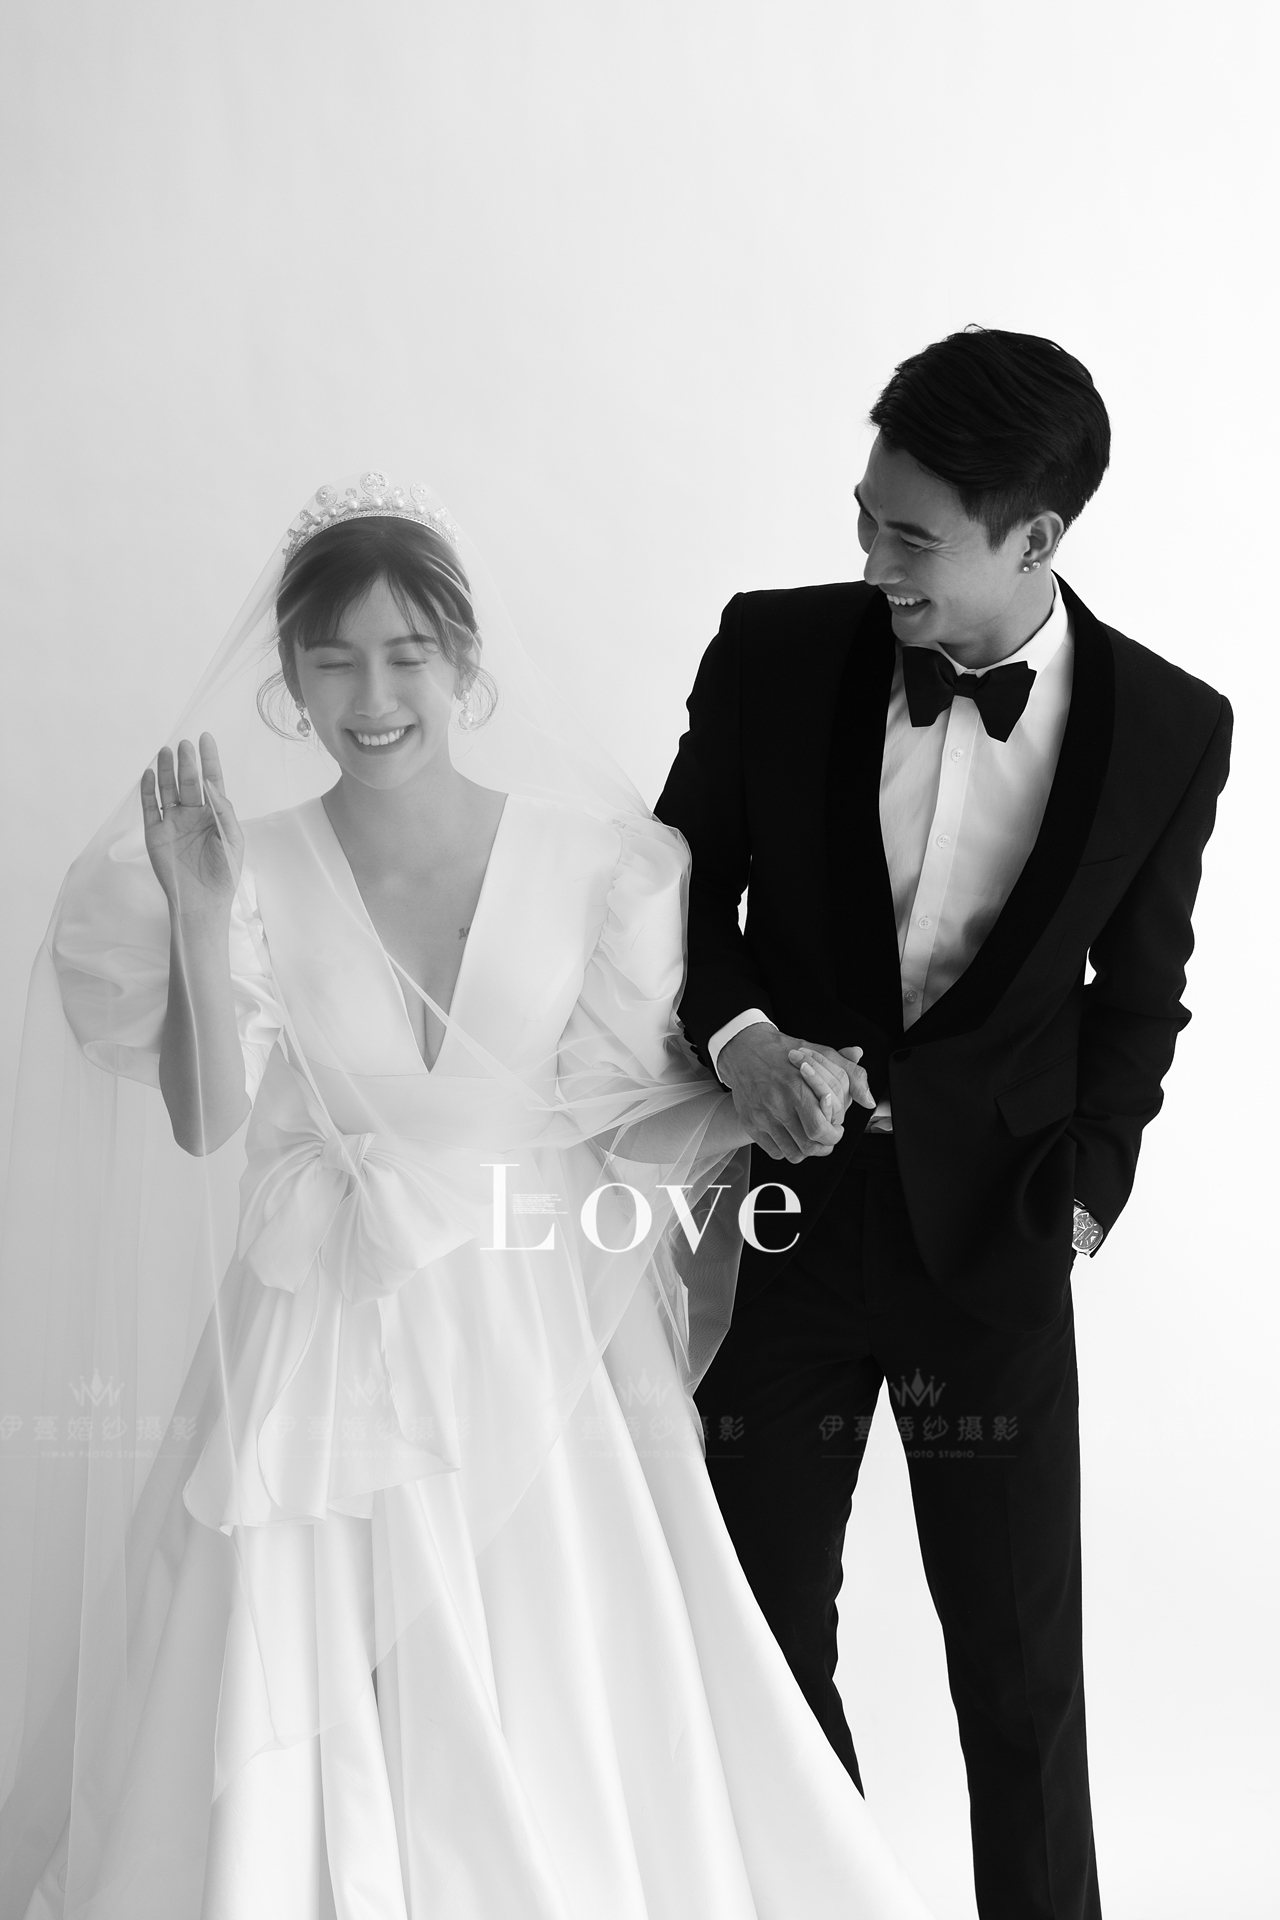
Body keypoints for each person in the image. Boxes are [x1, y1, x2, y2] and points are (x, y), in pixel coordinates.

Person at [0, 475, 932, 1919]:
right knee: (298, 1654)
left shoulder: (603, 867)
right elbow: (205, 1125)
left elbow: (622, 1102)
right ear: (289, 680)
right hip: (319, 1315)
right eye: (333, 662)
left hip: (529, 1309)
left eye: (407, 656)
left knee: (560, 1654)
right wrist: (197, 912)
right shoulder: (246, 866)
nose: (373, 698)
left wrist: (772, 1086)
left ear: (465, 663)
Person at [655, 328, 1232, 1920]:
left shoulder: (1172, 729)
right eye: (864, 517)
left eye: (910, 538)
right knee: (756, 1639)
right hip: (780, 1225)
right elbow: (668, 895)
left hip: (997, 1244)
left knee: (1021, 1679)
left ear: (1034, 538)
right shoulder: (772, 650)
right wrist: (744, 1040)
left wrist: (1082, 1201)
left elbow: (1142, 1001)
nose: (871, 562)